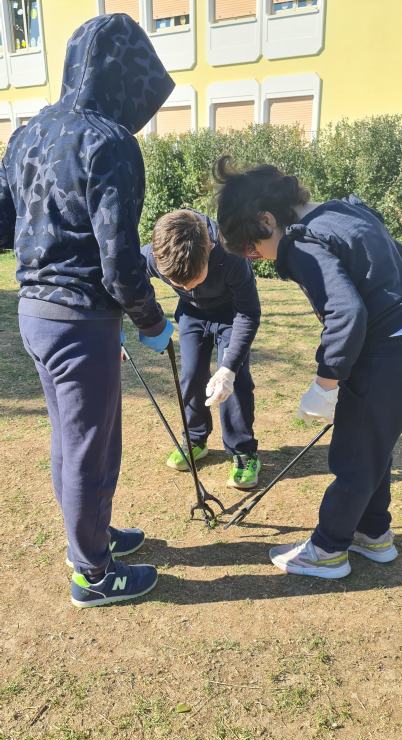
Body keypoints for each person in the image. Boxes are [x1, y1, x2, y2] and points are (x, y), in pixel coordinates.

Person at [0, 14, 175, 608]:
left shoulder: (28, 133)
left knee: (80, 440)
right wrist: (152, 321)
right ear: (125, 77)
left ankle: (95, 537)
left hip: (36, 314)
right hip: (78, 319)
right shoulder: (109, 141)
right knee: (85, 444)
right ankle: (92, 574)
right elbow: (120, 260)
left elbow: (4, 225)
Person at [214, 156, 402, 578]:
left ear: (266, 220)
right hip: (395, 351)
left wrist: (326, 383)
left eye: (251, 248)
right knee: (372, 450)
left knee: (353, 457)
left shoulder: (301, 241)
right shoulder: (346, 211)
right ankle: (373, 534)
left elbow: (346, 312)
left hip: (383, 355)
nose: (255, 258)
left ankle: (329, 550)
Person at [141, 209, 261, 488]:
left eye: (189, 280)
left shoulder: (232, 254)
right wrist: (145, 316)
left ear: (208, 250)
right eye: (175, 283)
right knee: (192, 375)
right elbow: (128, 278)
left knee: (234, 382)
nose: (182, 286)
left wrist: (228, 368)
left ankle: (244, 451)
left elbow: (249, 313)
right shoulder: (153, 255)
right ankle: (195, 439)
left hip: (232, 315)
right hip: (192, 315)